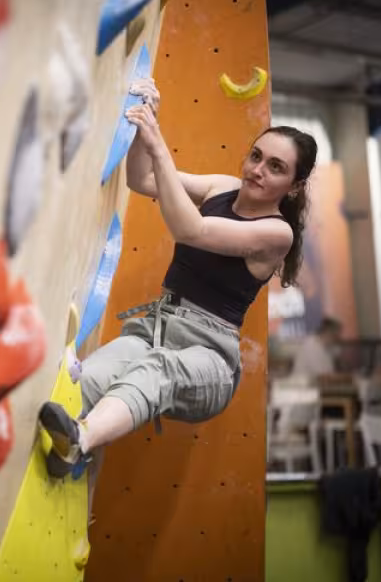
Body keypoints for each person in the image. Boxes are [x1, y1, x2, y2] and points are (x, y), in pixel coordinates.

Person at [37, 77, 317, 510]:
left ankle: (81, 440)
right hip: (157, 328)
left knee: (158, 370)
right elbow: (142, 178)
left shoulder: (277, 233)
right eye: (256, 156)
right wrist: (144, 120)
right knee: (85, 381)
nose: (258, 170)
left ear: (294, 186)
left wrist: (158, 142)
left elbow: (192, 229)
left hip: (210, 356)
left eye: (276, 167)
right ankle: (60, 454)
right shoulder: (222, 187)